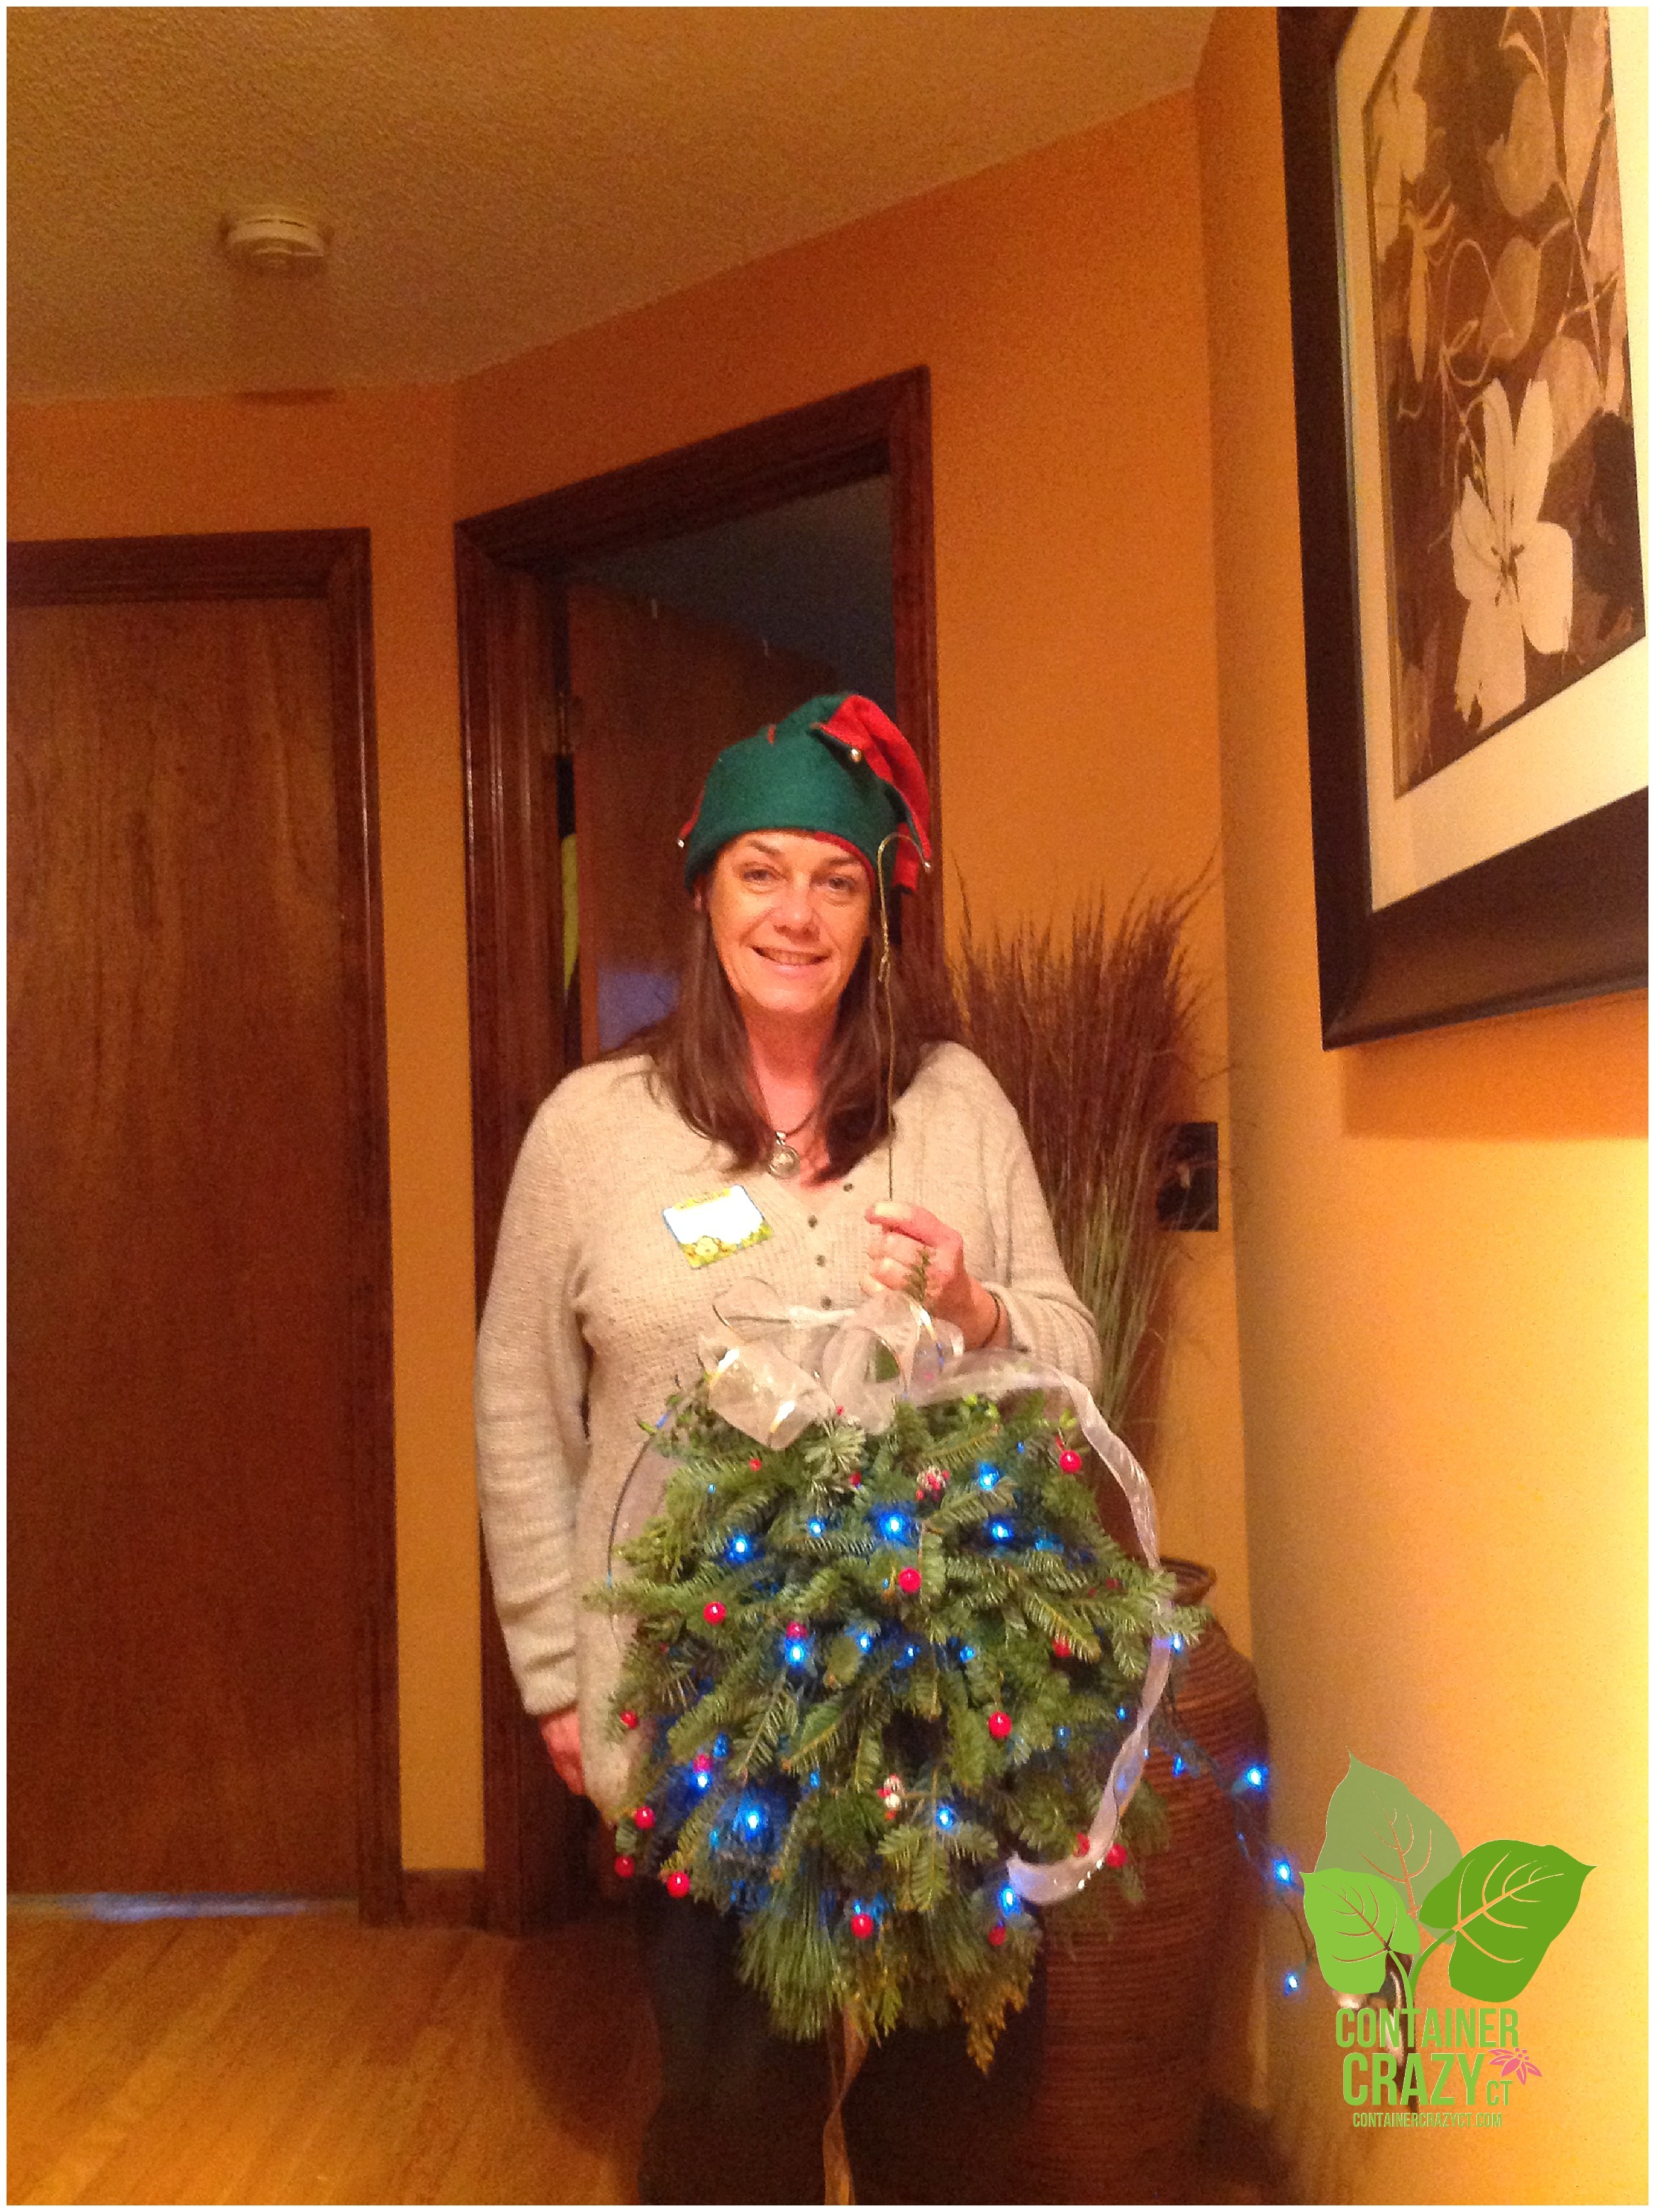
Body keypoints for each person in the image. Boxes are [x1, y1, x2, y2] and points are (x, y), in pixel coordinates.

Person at [476, 691, 1100, 2203]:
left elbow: (1071, 1361)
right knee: (731, 2099)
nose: (797, 914)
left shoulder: (957, 1104)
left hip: (941, 1688)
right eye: (761, 871)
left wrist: (974, 1306)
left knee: (956, 2098)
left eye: (836, 879)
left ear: (877, 912)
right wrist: (557, 1670)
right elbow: (519, 1407)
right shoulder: (590, 1130)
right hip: (702, 1707)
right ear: (703, 891)